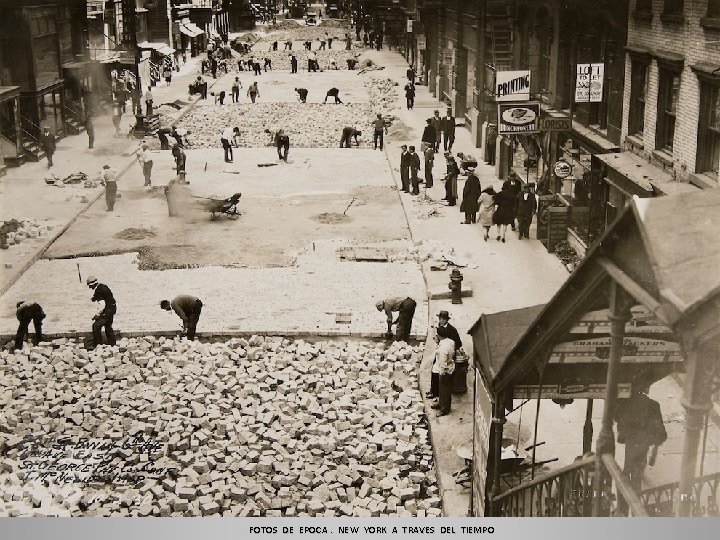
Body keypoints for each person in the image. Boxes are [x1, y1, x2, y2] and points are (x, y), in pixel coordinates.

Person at [614, 384, 667, 515]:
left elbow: (618, 419)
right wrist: (655, 443)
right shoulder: (653, 405)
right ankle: (635, 509)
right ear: (645, 389)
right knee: (636, 474)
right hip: (643, 442)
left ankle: (623, 509)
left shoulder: (626, 404)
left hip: (631, 441)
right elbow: (660, 430)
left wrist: (624, 433)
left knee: (627, 472)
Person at [431, 325, 455, 417]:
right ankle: (441, 403)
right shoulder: (450, 342)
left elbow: (443, 363)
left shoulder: (442, 349)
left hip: (445, 371)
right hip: (451, 367)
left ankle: (444, 409)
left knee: (445, 391)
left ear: (439, 336)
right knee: (442, 390)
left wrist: (442, 373)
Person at [87, 276, 116, 348]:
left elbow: (102, 304)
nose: (90, 288)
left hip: (107, 311)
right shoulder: (103, 286)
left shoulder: (98, 291)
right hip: (112, 308)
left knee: (96, 326)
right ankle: (112, 344)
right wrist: (94, 298)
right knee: (108, 326)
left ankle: (97, 344)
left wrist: (97, 315)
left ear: (93, 284)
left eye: (90, 286)